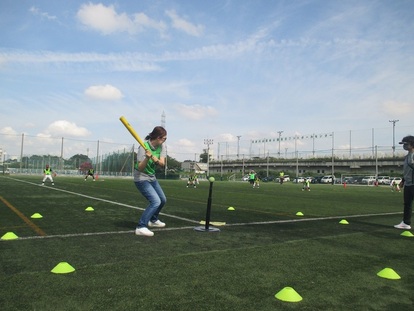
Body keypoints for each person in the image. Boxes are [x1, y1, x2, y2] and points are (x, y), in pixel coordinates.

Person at [134, 126, 168, 237]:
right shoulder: (143, 147)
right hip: (141, 177)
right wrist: (147, 158)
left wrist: (156, 159)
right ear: (158, 137)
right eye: (164, 138)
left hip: (152, 177)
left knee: (162, 200)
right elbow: (140, 168)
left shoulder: (162, 146)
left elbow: (162, 164)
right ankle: (141, 226)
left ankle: (153, 220)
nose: (164, 141)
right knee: (155, 201)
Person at [394, 135, 414, 230]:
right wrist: (403, 180)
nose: (404, 146)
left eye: (406, 144)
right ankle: (406, 223)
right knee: (407, 204)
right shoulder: (407, 156)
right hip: (408, 184)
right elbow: (407, 170)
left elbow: (412, 166)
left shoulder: (412, 156)